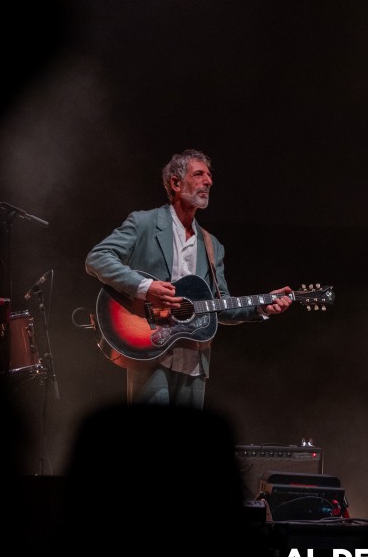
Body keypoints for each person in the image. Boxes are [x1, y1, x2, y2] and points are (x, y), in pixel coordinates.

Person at [86, 148, 292, 409]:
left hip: (194, 360)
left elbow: (221, 306)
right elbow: (97, 257)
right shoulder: (144, 223)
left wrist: (262, 307)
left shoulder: (212, 245)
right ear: (175, 182)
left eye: (209, 176)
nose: (209, 181)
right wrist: (145, 287)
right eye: (199, 174)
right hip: (150, 351)